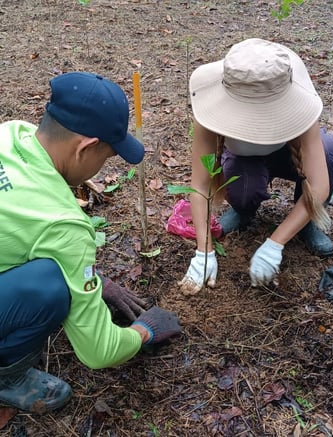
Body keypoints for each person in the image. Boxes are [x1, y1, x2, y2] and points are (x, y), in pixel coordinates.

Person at [0, 72, 181, 414]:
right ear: (86, 147)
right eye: (108, 157)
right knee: (51, 287)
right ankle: (7, 377)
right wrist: (144, 331)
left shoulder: (11, 132)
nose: (101, 168)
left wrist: (98, 283)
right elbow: (99, 351)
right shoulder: (64, 223)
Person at [179, 38, 333, 294]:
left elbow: (320, 185)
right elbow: (201, 184)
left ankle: (307, 219)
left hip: (288, 155)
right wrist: (204, 251)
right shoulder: (210, 109)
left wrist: (275, 244)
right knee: (244, 190)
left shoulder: (299, 104)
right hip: (246, 161)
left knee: (331, 152)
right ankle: (244, 210)